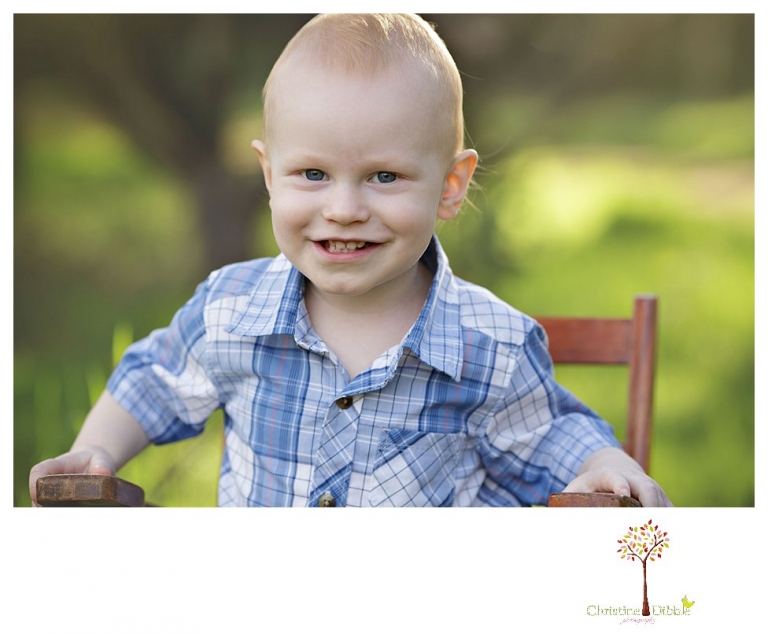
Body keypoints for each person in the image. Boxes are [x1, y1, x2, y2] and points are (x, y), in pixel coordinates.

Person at [29, 13, 672, 507]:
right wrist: (95, 450)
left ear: (450, 187)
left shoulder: (490, 345)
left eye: (384, 177)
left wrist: (607, 466)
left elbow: (551, 432)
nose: (343, 208)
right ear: (269, 175)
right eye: (312, 172)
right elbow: (153, 380)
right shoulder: (231, 311)